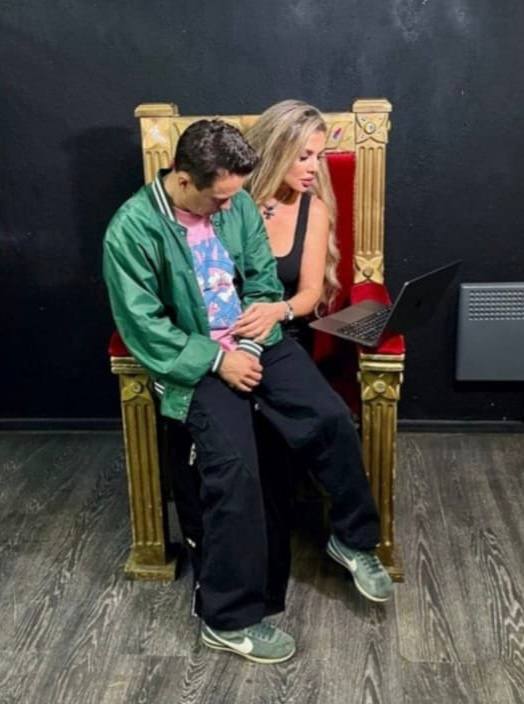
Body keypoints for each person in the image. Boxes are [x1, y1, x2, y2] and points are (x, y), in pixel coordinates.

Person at [103, 118, 393, 666]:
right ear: (183, 178)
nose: (228, 208)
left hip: (256, 339)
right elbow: (144, 328)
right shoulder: (131, 230)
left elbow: (262, 275)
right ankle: (227, 619)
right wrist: (220, 360)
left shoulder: (235, 203)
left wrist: (256, 336)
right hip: (194, 360)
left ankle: (353, 538)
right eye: (218, 198)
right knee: (235, 470)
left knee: (330, 417)